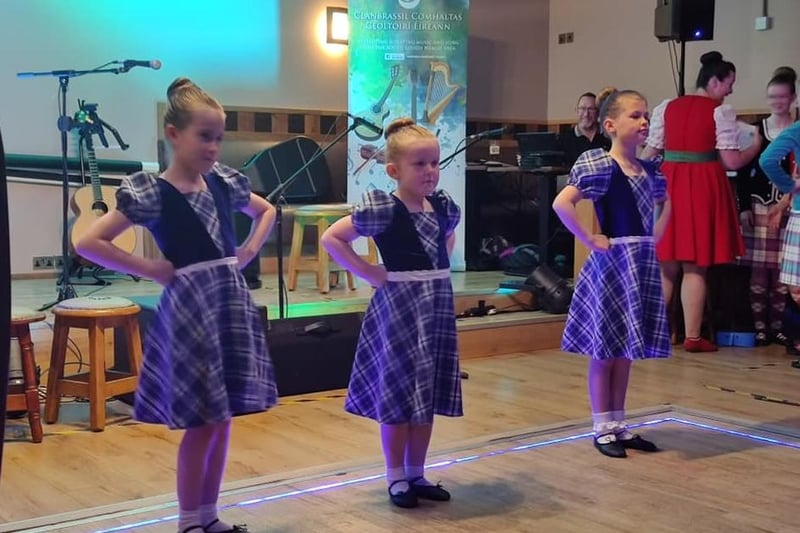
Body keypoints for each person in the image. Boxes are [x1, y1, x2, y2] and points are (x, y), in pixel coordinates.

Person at [76, 77, 277, 533]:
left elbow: (267, 211)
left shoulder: (224, 183)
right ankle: (190, 521)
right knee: (201, 421)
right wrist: (150, 268)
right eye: (204, 136)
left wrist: (246, 252)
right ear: (174, 134)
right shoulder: (153, 192)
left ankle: (210, 516)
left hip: (228, 305)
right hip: (191, 313)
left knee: (222, 418)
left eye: (218, 138)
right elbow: (90, 241)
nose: (212, 147)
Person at [320, 118, 462, 508]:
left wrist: (436, 269)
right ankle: (395, 476)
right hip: (399, 311)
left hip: (433, 310)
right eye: (420, 164)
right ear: (394, 170)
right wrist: (369, 272)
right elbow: (332, 237)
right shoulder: (383, 208)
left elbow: (446, 237)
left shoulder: (444, 206)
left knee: (424, 395)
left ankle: (417, 472)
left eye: (434, 163)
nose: (430, 171)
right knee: (399, 395)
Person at [553, 87, 672, 458]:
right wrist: (589, 237)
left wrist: (652, 239)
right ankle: (601, 426)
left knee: (625, 352)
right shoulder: (601, 165)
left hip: (639, 263)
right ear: (610, 124)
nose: (643, 122)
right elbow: (563, 203)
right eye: (635, 115)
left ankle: (619, 424)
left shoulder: (648, 169)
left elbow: (665, 203)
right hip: (613, 266)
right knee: (605, 350)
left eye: (646, 116)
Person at [641, 51, 762, 352]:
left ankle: (651, 333)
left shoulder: (667, 107)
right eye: (729, 83)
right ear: (715, 81)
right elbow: (731, 159)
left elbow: (649, 153)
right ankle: (693, 337)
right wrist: (756, 147)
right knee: (695, 266)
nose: (731, 90)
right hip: (702, 186)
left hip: (668, 184)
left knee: (666, 265)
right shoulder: (720, 112)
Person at [736, 67, 797, 348]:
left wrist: (788, 199)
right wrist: (743, 207)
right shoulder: (757, 130)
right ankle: (760, 328)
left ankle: (779, 327)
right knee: (760, 270)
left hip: (790, 207)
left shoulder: (796, 128)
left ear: (792, 97)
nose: (777, 102)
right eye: (772, 96)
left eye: (782, 97)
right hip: (761, 204)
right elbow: (745, 170)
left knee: (785, 273)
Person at [558, 92, 612, 167]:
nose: (586, 114)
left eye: (591, 109)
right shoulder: (563, 140)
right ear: (577, 111)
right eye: (582, 109)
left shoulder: (610, 137)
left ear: (598, 112)